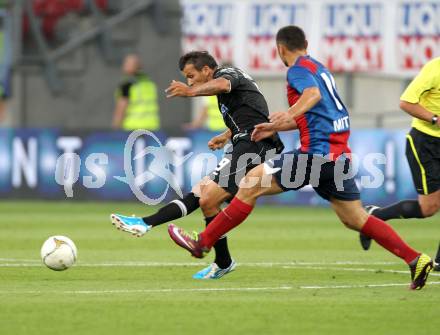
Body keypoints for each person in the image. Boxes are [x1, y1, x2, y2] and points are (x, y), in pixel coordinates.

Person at [167, 26, 433, 290]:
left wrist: (290, 113)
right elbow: (318, 111)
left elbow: (312, 96)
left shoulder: (297, 70)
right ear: (305, 43)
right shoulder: (319, 69)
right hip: (338, 156)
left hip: (316, 154)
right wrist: (275, 126)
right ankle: (415, 258)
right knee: (355, 219)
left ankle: (203, 242)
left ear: (280, 48)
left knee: (250, 183)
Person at [110, 51, 284, 279]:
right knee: (203, 195)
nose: (189, 81)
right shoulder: (231, 89)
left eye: (191, 76)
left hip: (256, 145)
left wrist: (190, 92)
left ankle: (193, 241)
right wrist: (226, 134)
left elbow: (222, 84)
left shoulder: (227, 74)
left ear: (206, 70)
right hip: (245, 143)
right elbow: (252, 113)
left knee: (208, 197)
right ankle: (219, 259)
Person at [359, 57, 440, 271]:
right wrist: (435, 119)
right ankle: (376, 215)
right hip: (425, 142)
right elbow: (406, 102)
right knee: (428, 208)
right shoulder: (435, 68)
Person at [112, 54, 160, 130]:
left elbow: (121, 108)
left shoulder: (127, 84)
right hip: (152, 127)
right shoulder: (148, 82)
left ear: (135, 66)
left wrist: (115, 128)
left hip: (133, 128)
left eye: (127, 63)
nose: (124, 65)